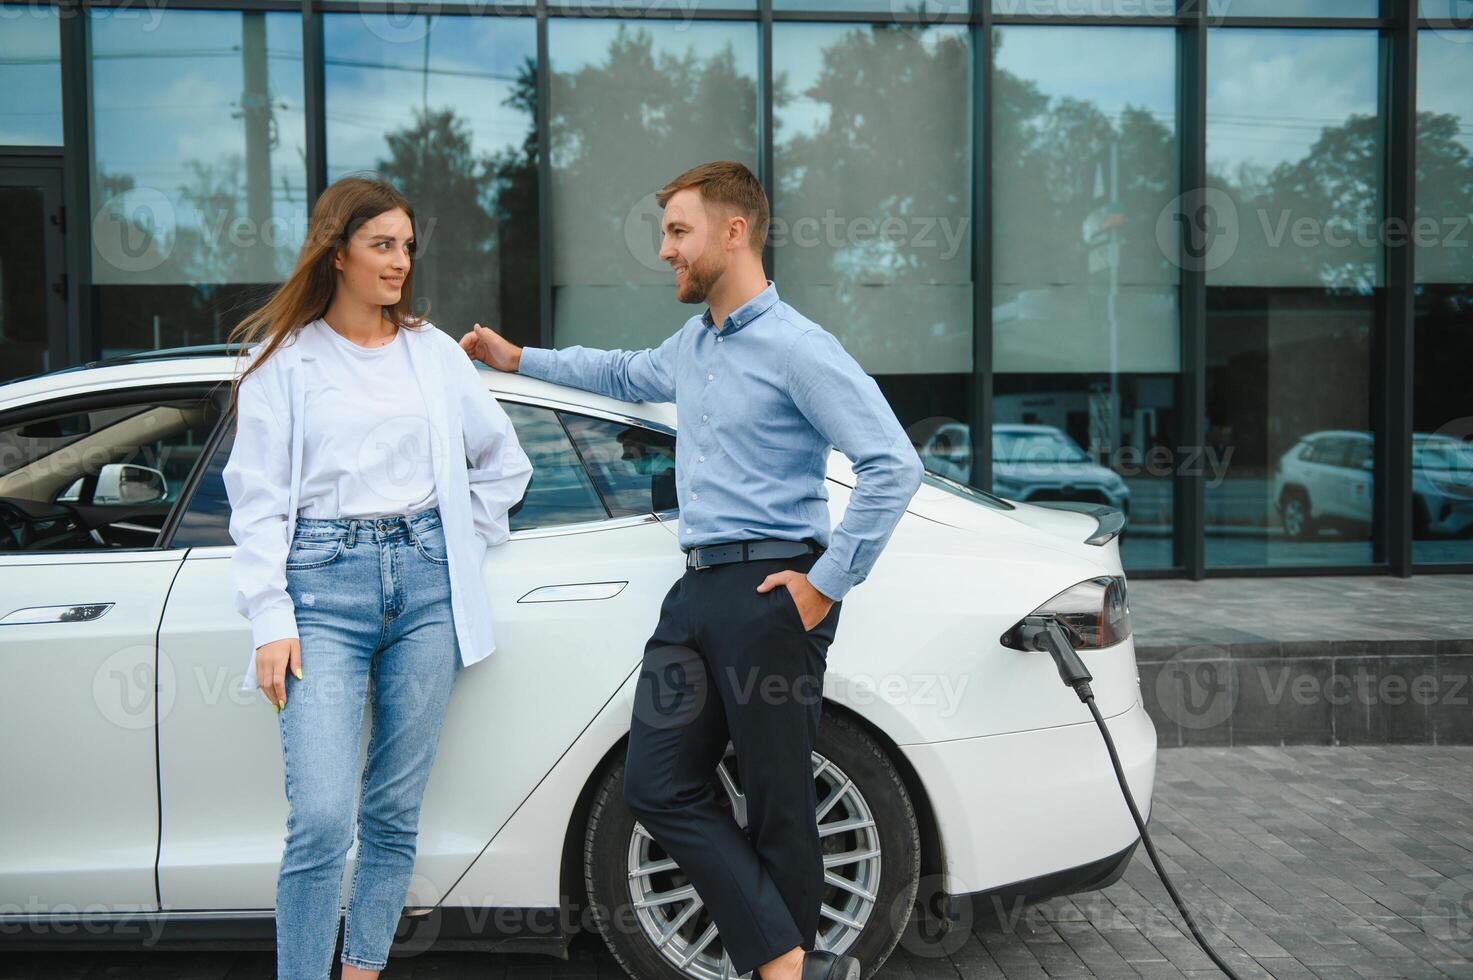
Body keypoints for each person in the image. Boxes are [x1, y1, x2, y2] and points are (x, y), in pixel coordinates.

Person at [458, 160, 922, 980]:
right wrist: (515, 356)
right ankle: (790, 962)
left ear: (732, 232)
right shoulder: (693, 344)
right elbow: (615, 373)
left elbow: (892, 464)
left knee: (780, 801)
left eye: (678, 231)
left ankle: (786, 971)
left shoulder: (799, 348)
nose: (666, 250)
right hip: (697, 593)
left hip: (774, 589)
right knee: (656, 783)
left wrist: (827, 584)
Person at [223, 174, 532, 980]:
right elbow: (254, 503)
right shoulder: (283, 362)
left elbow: (504, 463)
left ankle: (362, 970)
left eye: (407, 246)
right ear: (337, 254)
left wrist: (449, 541)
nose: (400, 263)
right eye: (382, 245)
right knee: (322, 816)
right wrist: (269, 616)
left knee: (393, 811)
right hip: (322, 590)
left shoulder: (432, 354)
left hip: (427, 590)